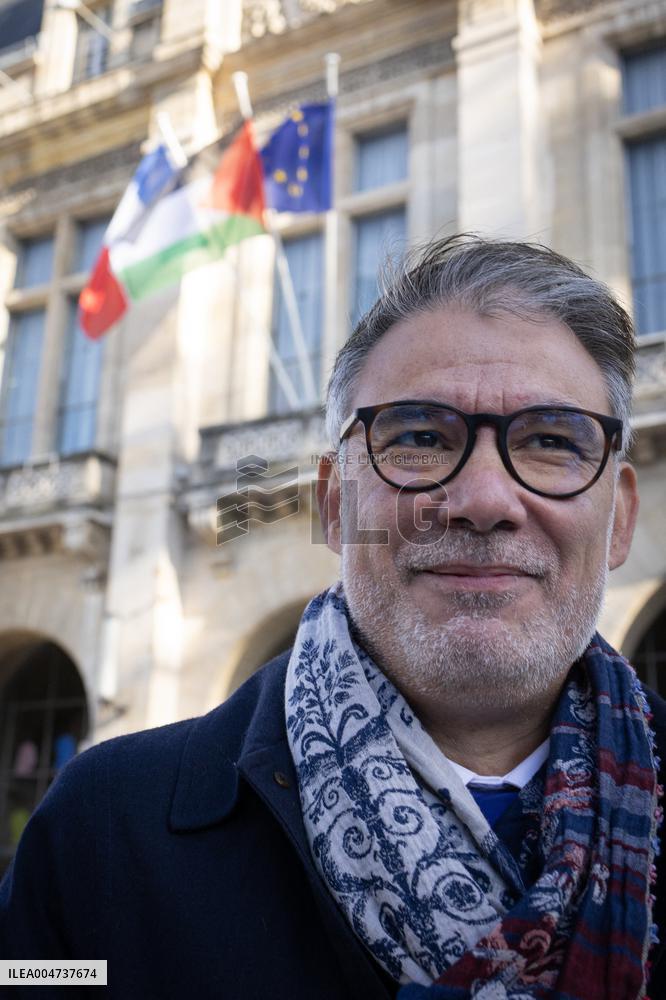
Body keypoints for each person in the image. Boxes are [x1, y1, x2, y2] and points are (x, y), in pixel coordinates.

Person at [1, 234, 664, 1000]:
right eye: (419, 437)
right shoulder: (100, 835)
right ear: (334, 504)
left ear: (618, 518)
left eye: (551, 441)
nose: (484, 500)